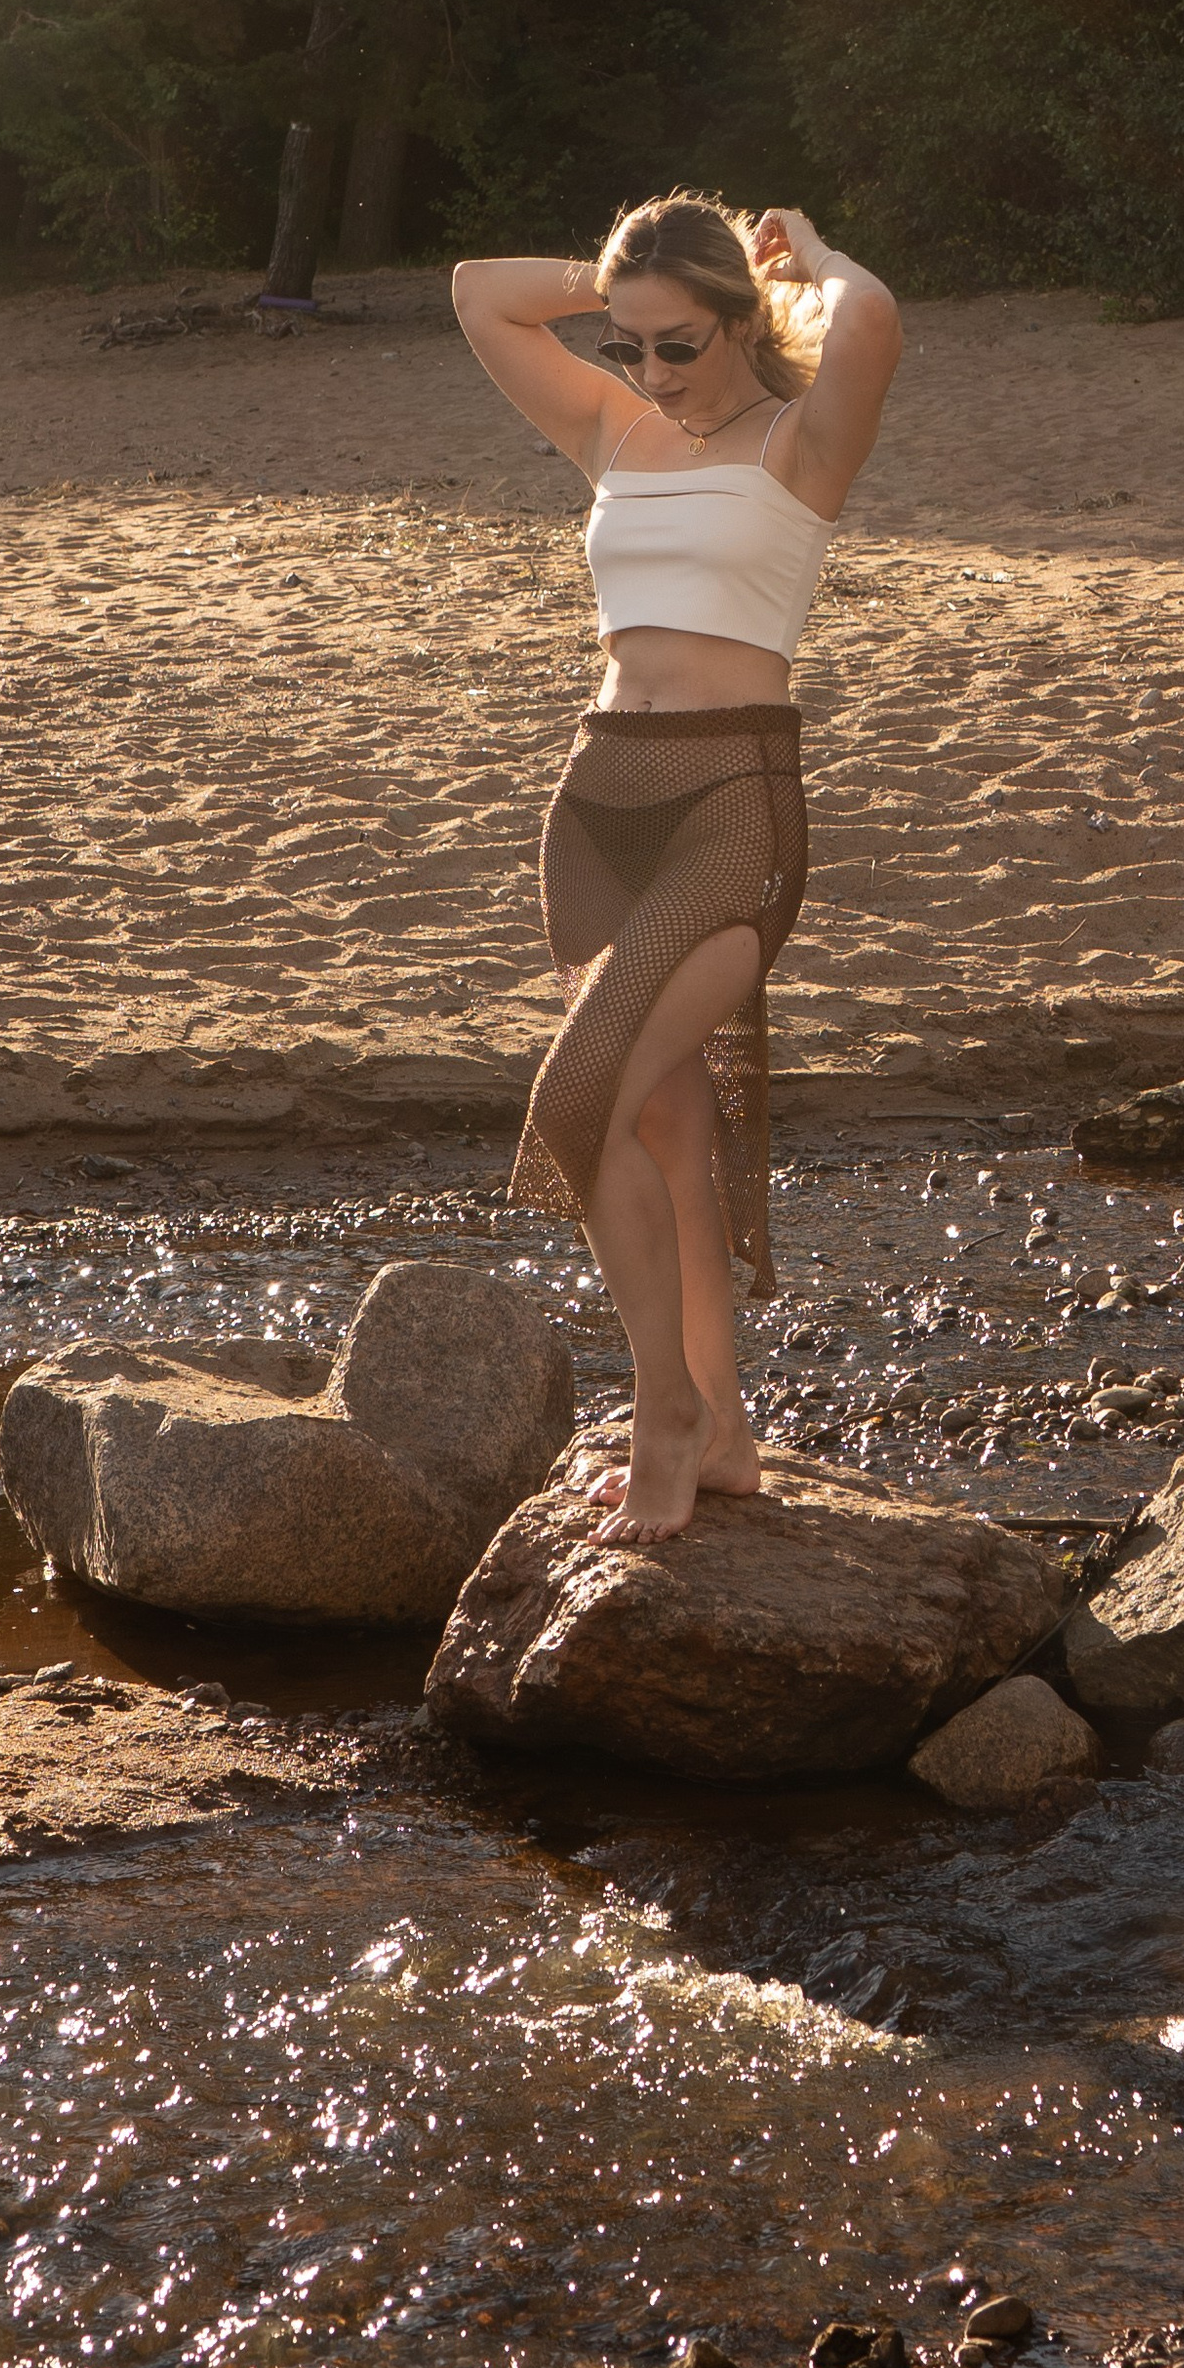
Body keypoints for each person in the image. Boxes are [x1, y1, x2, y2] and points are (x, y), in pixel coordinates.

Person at [451, 195, 902, 1543]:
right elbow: (480, 289)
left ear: (742, 321)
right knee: (662, 1122)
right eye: (629, 344)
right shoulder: (616, 426)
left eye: (679, 343)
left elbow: (870, 317)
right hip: (598, 808)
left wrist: (811, 259)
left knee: (578, 1098)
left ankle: (666, 1418)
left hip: (730, 810)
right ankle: (728, 1432)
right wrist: (625, 281)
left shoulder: (801, 443)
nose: (650, 370)